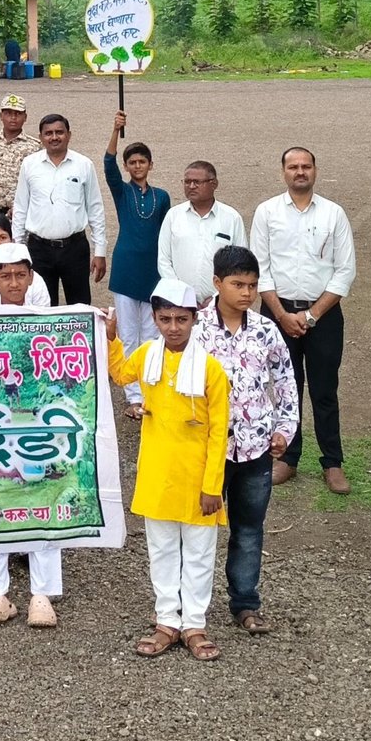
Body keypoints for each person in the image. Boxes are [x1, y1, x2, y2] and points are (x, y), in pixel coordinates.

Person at [106, 277, 230, 663]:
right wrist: (110, 337)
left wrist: (213, 486)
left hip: (197, 479)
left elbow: (218, 433)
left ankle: (194, 623)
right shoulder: (146, 355)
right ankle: (166, 622)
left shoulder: (211, 370)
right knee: (160, 551)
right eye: (165, 319)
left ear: (195, 319)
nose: (173, 327)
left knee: (198, 554)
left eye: (181, 319)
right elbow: (121, 374)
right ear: (155, 319)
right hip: (158, 474)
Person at [198, 245, 299, 634]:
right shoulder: (195, 330)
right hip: (208, 449)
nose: (246, 293)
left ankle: (245, 602)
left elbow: (286, 381)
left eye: (253, 285)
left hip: (255, 447)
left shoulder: (265, 330)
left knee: (248, 528)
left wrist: (283, 429)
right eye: (238, 284)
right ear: (217, 283)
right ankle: (191, 608)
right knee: (200, 529)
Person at [251, 146, 357, 495]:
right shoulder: (267, 213)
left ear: (315, 171)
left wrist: (311, 315)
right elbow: (260, 269)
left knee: (325, 389)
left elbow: (344, 272)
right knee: (285, 389)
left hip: (323, 316)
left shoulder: (333, 214)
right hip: (277, 313)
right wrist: (281, 314)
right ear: (283, 172)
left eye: (306, 166)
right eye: (293, 167)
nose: (300, 172)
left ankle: (332, 462)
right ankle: (288, 458)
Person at [0, 241, 62, 626]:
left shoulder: (49, 322)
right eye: (5, 275)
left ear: (31, 277)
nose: (13, 282)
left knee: (42, 497)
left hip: (36, 424)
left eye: (20, 275)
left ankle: (42, 594)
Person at [103, 112, 171, 418]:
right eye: (132, 162)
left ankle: (151, 391)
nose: (137, 166)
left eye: (142, 161)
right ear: (128, 167)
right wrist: (116, 131)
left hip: (153, 273)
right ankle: (133, 396)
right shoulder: (122, 191)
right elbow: (107, 165)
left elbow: (167, 233)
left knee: (152, 335)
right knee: (128, 336)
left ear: (150, 165)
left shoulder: (162, 197)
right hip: (126, 270)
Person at [11, 114, 106, 305]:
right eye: (49, 133)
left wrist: (100, 251)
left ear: (69, 135)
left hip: (75, 248)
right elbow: (21, 207)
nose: (54, 137)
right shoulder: (29, 165)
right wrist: (18, 248)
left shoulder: (84, 165)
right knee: (42, 307)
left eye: (59, 132)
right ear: (41, 137)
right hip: (38, 249)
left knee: (79, 306)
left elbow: (95, 208)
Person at [158, 160, 246, 305]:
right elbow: (164, 260)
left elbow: (240, 263)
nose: (191, 186)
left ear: (214, 184)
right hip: (180, 303)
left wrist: (219, 296)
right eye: (187, 182)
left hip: (222, 304)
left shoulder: (231, 218)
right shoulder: (173, 216)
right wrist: (183, 295)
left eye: (197, 182)